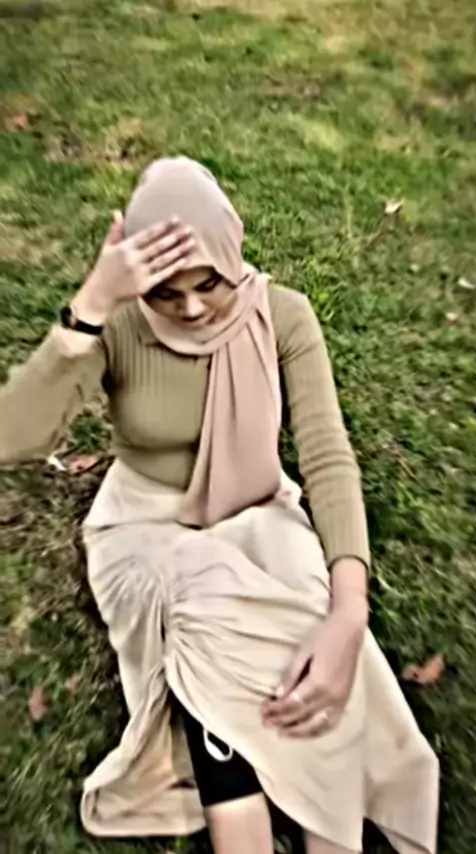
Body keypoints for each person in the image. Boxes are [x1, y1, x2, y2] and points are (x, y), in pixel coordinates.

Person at [0, 157, 439, 854]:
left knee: (312, 621)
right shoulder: (119, 324)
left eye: (209, 283)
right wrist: (91, 304)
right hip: (145, 526)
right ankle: (248, 834)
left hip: (258, 509)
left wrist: (350, 610)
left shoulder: (283, 315)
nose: (193, 308)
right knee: (208, 610)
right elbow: (13, 437)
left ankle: (329, 826)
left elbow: (326, 455)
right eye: (166, 293)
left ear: (234, 252)